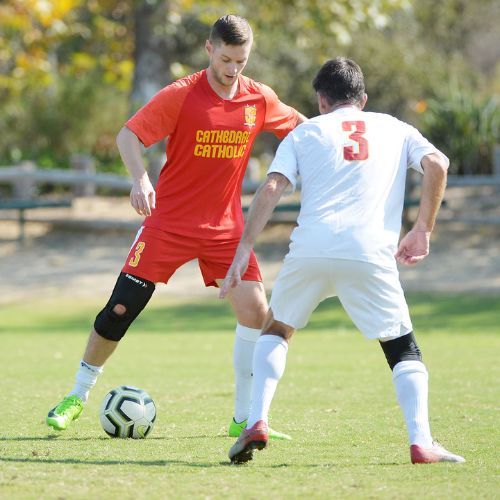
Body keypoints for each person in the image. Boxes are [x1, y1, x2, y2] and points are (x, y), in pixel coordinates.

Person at [46, 14, 307, 440]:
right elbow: (128, 136)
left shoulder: (259, 98)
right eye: (225, 59)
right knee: (119, 310)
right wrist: (140, 179)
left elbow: (304, 130)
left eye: (240, 61)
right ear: (209, 49)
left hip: (225, 230)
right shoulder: (181, 94)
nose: (232, 69)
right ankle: (76, 395)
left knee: (256, 313)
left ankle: (244, 418)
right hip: (167, 224)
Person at [221, 57, 466, 464]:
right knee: (401, 347)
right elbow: (438, 164)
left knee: (277, 328)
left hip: (310, 250)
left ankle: (257, 420)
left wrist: (245, 247)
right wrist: (422, 228)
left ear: (321, 100)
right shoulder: (395, 128)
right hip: (369, 253)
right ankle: (421, 441)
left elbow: (272, 187)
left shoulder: (304, 132)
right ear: (363, 99)